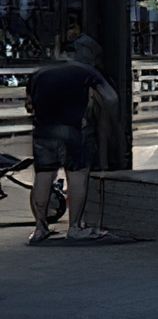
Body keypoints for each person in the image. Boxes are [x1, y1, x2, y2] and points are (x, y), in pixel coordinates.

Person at [25, 39, 118, 244]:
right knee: (77, 177)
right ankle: (75, 227)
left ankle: (40, 228)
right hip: (73, 131)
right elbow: (111, 98)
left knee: (43, 178)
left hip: (43, 132)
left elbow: (29, 105)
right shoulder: (86, 71)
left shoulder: (39, 74)